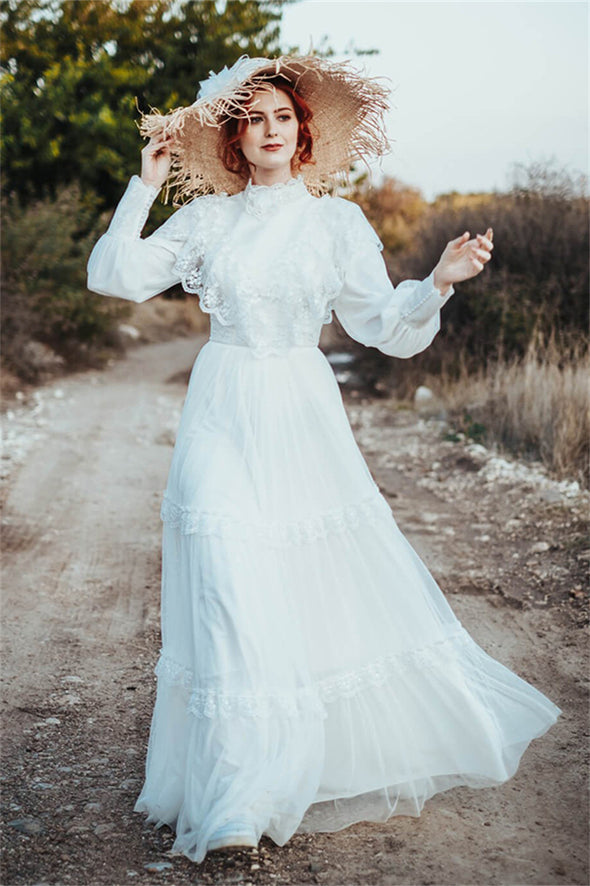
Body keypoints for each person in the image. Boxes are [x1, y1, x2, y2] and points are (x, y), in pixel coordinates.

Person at [86, 54, 561, 864]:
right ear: (236, 139)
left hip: (301, 411)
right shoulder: (208, 221)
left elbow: (384, 324)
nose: (268, 131)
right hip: (221, 407)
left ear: (301, 135)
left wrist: (438, 283)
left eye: (281, 118)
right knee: (226, 579)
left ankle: (284, 762)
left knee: (291, 583)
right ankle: (235, 799)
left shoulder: (338, 226)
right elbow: (113, 276)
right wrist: (145, 185)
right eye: (252, 120)